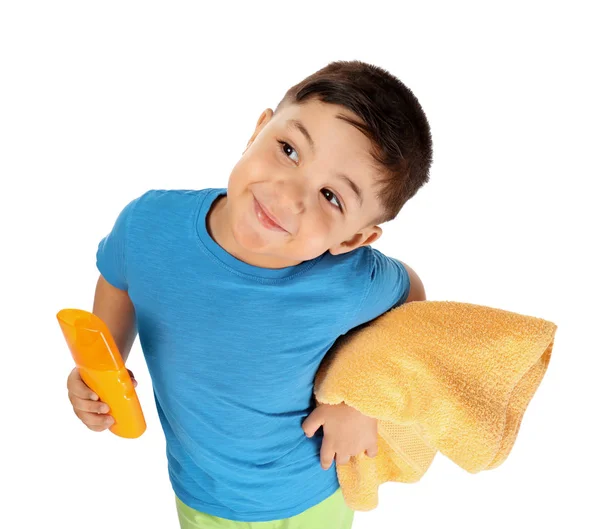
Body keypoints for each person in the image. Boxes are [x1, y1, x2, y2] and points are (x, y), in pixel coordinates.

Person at [65, 59, 431, 528]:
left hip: (312, 496)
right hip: (201, 494)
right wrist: (104, 366)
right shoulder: (148, 226)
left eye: (331, 197)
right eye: (289, 150)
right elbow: (120, 276)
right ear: (259, 129)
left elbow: (412, 297)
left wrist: (360, 402)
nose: (289, 193)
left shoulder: (349, 279)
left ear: (352, 240)